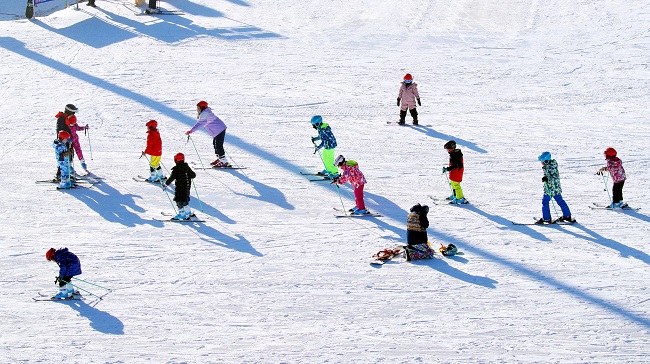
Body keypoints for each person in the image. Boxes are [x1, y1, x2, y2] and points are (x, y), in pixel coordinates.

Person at [186, 101, 230, 168]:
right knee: (215, 144)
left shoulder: (205, 114)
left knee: (218, 145)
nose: (197, 109)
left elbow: (200, 124)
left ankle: (224, 161)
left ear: (202, 107)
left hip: (219, 130)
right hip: (218, 130)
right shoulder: (204, 113)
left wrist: (191, 131)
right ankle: (220, 159)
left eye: (198, 108)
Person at [536, 151, 574, 224]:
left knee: (545, 202)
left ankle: (546, 218)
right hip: (556, 188)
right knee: (560, 201)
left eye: (542, 161)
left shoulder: (549, 167)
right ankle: (567, 215)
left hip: (550, 189)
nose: (541, 163)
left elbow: (553, 177)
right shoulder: (551, 165)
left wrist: (547, 179)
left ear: (546, 160)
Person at [163, 153, 197, 220]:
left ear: (176, 160)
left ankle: (182, 214)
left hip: (179, 188)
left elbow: (171, 178)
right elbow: (193, 175)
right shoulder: (187, 167)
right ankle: (188, 213)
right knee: (185, 200)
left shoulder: (176, 169)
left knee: (179, 200)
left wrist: (166, 184)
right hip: (187, 188)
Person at [54, 104, 75, 181]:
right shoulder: (62, 118)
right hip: (64, 141)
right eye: (73, 112)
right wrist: (64, 138)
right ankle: (60, 175)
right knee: (63, 158)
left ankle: (67, 174)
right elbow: (60, 131)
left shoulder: (65, 118)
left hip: (67, 140)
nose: (74, 114)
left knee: (69, 157)